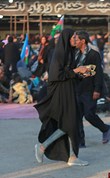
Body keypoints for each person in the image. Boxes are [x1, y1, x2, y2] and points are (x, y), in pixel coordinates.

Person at [34, 29, 91, 166]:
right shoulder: (59, 53)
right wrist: (77, 70)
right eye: (72, 37)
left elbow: (68, 74)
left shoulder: (69, 53)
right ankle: (44, 147)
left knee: (71, 124)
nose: (74, 40)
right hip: (61, 94)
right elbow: (56, 75)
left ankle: (71, 156)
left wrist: (81, 75)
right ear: (66, 39)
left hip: (68, 92)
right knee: (69, 124)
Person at [74, 31, 110, 147]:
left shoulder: (93, 54)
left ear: (83, 41)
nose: (74, 42)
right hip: (77, 89)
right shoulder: (75, 54)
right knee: (77, 116)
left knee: (89, 114)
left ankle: (105, 128)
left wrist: (97, 90)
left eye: (76, 40)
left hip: (89, 89)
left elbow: (98, 73)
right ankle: (80, 141)